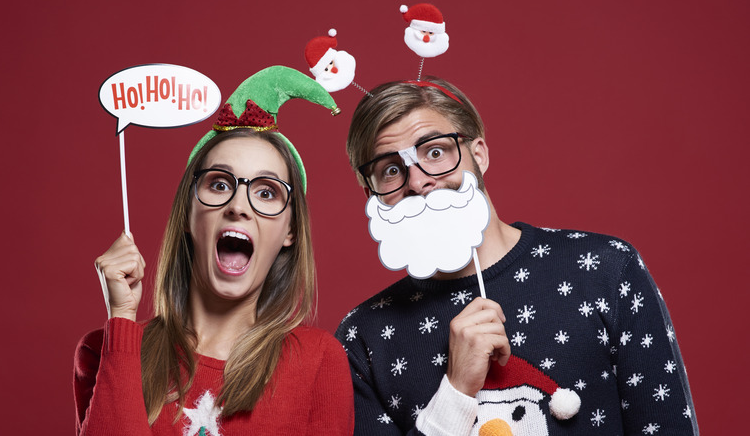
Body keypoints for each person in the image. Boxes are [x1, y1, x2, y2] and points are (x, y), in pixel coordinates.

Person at [335, 77, 698, 435]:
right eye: (391, 170)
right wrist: (455, 392)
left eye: (434, 151)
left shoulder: (606, 270)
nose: (417, 182)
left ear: (479, 154)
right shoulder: (362, 338)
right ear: (372, 195)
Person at [74, 67, 353, 435]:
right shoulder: (105, 349)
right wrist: (122, 319)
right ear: (188, 216)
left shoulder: (319, 361)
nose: (239, 205)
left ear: (290, 231)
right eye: (219, 184)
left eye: (267, 192)